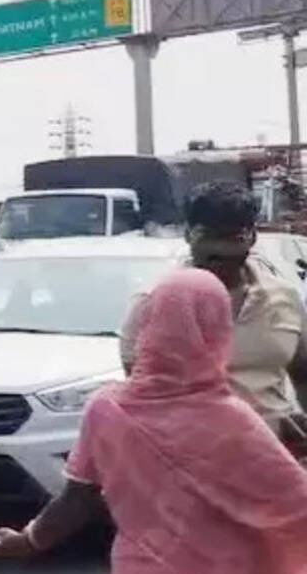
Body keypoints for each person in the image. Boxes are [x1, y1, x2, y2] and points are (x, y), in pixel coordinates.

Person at [0, 269, 307, 574]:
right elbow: (295, 506)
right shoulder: (235, 421)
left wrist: (28, 539)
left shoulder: (106, 409)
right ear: (219, 332)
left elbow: (76, 501)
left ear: (148, 326)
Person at [121, 181, 307, 446]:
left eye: (233, 237)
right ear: (188, 234)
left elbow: (303, 374)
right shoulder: (151, 303)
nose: (219, 249)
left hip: (275, 460)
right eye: (207, 235)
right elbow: (143, 397)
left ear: (252, 237)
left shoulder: (284, 297)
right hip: (194, 466)